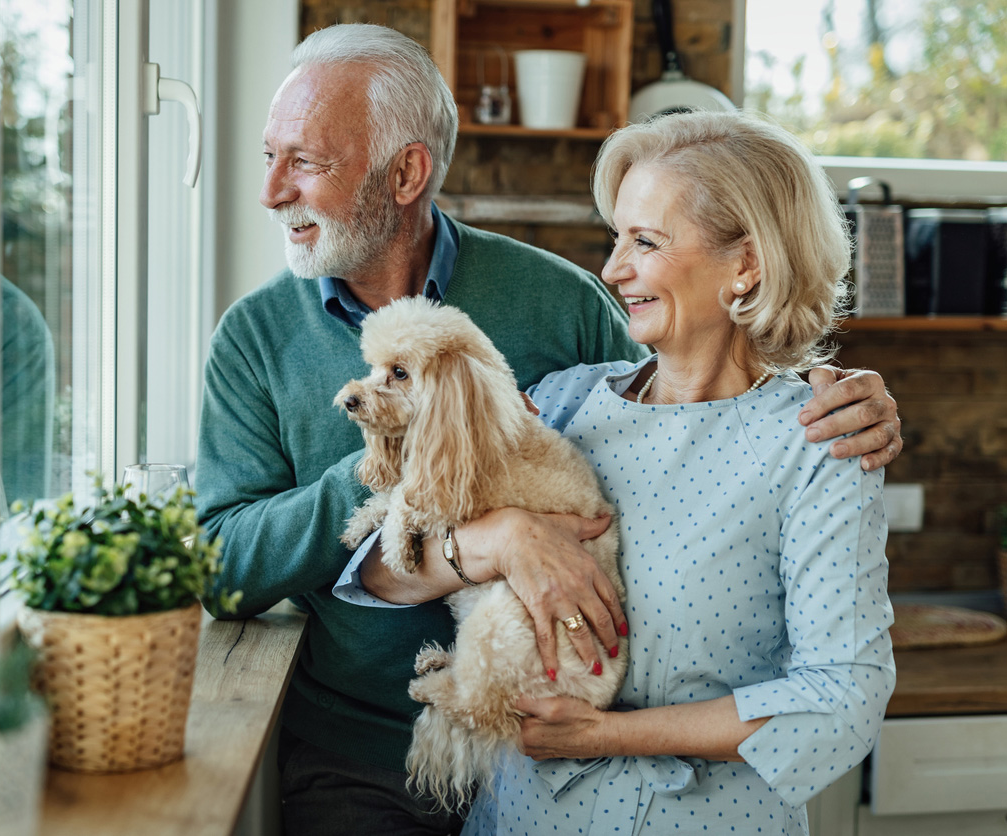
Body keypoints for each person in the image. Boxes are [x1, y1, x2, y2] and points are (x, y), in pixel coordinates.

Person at [194, 23, 901, 836]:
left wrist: (849, 397)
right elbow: (301, 565)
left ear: (406, 171)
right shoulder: (565, 400)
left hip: (606, 788)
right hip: (386, 759)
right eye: (268, 157)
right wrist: (473, 528)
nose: (272, 191)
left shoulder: (570, 320)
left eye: (306, 162)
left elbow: (840, 690)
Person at [349, 110, 895, 835]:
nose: (612, 270)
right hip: (520, 818)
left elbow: (844, 697)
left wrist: (608, 736)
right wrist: (504, 536)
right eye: (617, 239)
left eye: (646, 241)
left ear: (747, 264)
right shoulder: (564, 403)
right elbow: (378, 575)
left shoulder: (820, 443)